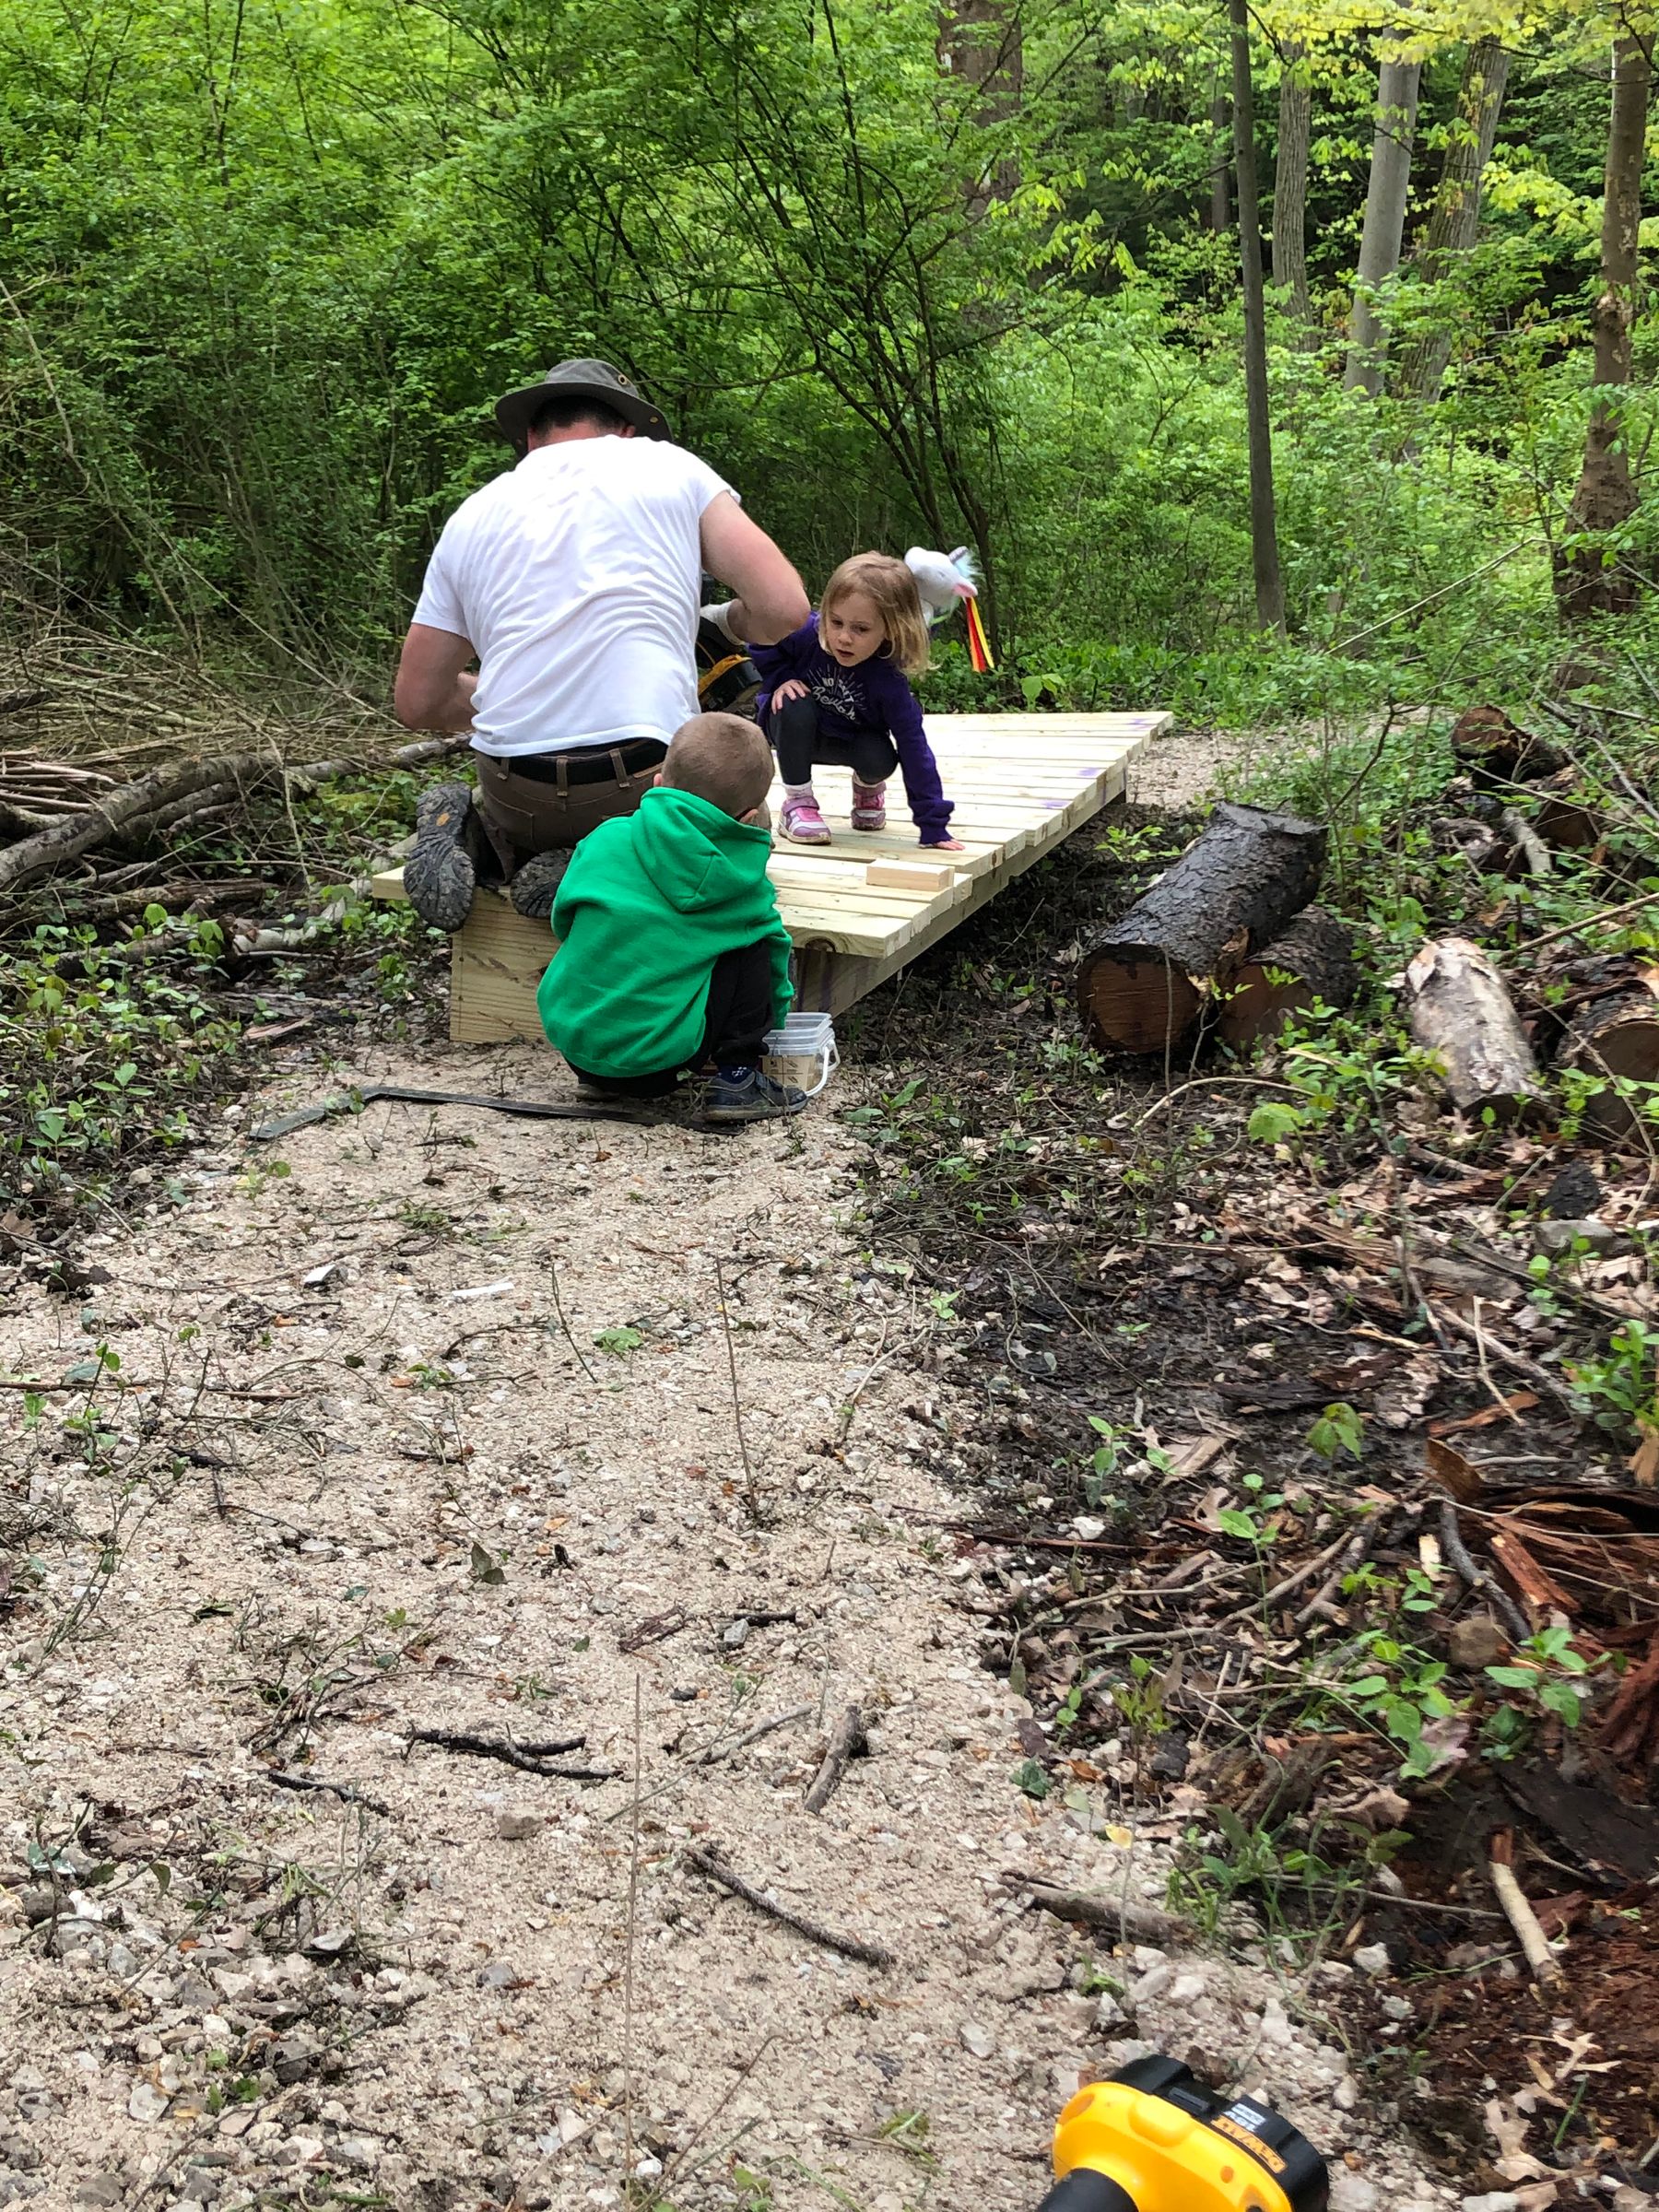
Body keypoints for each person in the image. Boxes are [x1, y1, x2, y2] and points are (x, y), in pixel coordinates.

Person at [393, 359, 808, 930]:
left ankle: (491, 840)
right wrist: (733, 622)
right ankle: (618, 858)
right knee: (744, 804)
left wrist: (516, 693)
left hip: (517, 794)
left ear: (532, 439)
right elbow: (785, 610)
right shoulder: (670, 467)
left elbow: (417, 702)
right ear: (628, 430)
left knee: (525, 804)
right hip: (638, 788)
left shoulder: (475, 512)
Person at [536, 712, 805, 1124]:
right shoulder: (743, 883)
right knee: (755, 943)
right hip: (664, 1065)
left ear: (658, 782)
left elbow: (565, 919)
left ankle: (600, 1080)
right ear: (750, 817)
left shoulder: (605, 839)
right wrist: (775, 1024)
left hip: (577, 1047)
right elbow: (772, 971)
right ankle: (738, 1080)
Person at [748, 551, 964, 852]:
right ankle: (798, 804)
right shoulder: (808, 635)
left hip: (846, 739)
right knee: (794, 704)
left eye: (861, 629)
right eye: (836, 622)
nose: (843, 638)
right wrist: (781, 678)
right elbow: (761, 638)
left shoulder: (889, 683)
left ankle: (867, 788)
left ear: (891, 628)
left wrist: (933, 825)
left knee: (881, 758)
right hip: (792, 730)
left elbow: (915, 749)